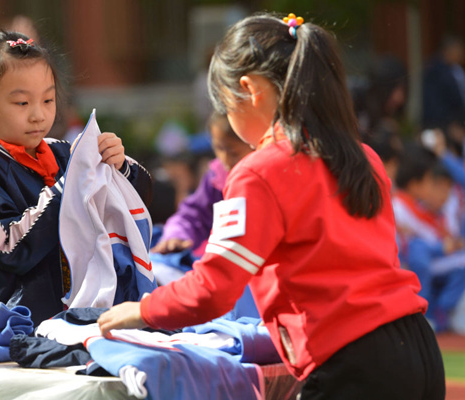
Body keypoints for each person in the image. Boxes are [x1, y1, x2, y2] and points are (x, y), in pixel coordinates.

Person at [98, 12, 445, 399]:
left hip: (352, 360)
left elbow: (213, 289)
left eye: (225, 104)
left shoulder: (258, 172)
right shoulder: (364, 157)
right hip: (419, 348)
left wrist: (142, 310)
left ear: (249, 89)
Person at [0, 31, 151, 327]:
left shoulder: (62, 152)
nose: (38, 115)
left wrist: (119, 165)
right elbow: (8, 248)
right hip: (13, 324)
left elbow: (138, 201)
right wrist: (66, 189)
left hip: (69, 316)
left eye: (48, 99)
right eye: (22, 103)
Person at [152, 112, 253, 256]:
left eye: (233, 152)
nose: (225, 159)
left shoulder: (262, 180)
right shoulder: (216, 177)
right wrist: (177, 235)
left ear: (255, 145)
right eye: (219, 148)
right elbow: (193, 215)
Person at [393, 142, 465, 333]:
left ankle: (432, 312)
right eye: (429, 182)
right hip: (402, 265)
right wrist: (444, 246)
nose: (443, 195)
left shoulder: (423, 208)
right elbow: (422, 242)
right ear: (415, 184)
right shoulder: (399, 205)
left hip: (417, 265)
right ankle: (428, 312)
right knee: (419, 252)